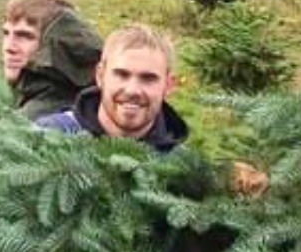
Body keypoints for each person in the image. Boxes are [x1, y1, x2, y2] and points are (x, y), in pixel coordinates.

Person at [34, 24, 188, 154]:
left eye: (148, 79)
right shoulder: (46, 138)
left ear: (168, 85)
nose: (132, 90)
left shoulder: (184, 170)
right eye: (121, 75)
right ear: (100, 75)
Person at [1, 0, 103, 119]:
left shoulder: (41, 118)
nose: (9, 47)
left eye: (25, 36)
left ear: (53, 48)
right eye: (6, 33)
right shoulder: (89, 104)